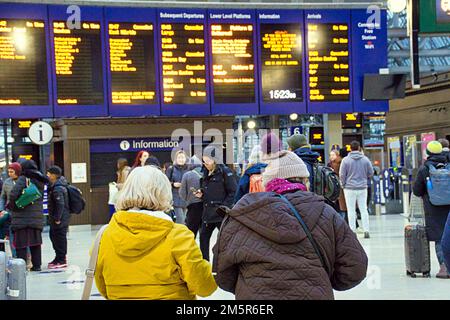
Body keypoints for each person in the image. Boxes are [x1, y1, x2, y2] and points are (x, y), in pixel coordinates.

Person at [213, 150, 368, 300]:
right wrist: (324, 280)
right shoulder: (326, 213)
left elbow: (222, 274)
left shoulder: (242, 215)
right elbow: (355, 267)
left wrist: (247, 285)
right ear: (304, 181)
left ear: (267, 183)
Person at [94, 166, 217, 300]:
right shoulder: (178, 236)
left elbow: (102, 287)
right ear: (163, 193)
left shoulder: (105, 236)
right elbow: (204, 287)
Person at [413, 140, 450, 279]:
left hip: (433, 209)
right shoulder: (448, 165)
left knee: (439, 238)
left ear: (427, 153)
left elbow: (417, 191)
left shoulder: (424, 169)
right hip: (449, 208)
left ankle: (444, 267)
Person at [194, 145, 237, 261]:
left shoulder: (225, 172)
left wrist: (223, 208)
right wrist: (201, 194)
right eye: (204, 161)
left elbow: (233, 192)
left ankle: (226, 263)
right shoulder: (205, 172)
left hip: (220, 214)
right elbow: (208, 190)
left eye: (208, 161)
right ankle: (205, 263)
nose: (205, 164)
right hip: (207, 214)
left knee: (226, 240)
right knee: (203, 238)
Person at [8, 160, 48, 272]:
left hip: (22, 217)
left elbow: (13, 194)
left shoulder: (24, 178)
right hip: (36, 217)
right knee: (36, 243)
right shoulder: (41, 180)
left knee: (21, 243)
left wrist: (12, 206)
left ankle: (21, 266)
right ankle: (37, 266)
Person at [339, 141, 374, 239]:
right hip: (362, 187)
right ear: (359, 148)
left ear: (350, 148)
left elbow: (342, 174)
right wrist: (364, 178)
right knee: (363, 209)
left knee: (351, 210)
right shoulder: (365, 160)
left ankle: (353, 232)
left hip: (349, 188)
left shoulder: (345, 160)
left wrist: (343, 184)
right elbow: (371, 173)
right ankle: (366, 230)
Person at [46, 166, 71, 269]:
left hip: (60, 219)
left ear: (54, 175)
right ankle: (58, 257)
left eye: (48, 173)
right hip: (59, 218)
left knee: (59, 238)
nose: (47, 175)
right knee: (54, 236)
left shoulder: (58, 188)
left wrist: (57, 218)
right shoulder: (57, 185)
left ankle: (61, 259)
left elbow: (60, 204)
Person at [179, 157, 203, 238]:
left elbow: (182, 192)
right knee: (204, 235)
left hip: (193, 207)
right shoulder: (206, 173)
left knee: (191, 233)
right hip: (206, 206)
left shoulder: (187, 175)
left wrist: (188, 199)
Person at [0, 163, 22, 255]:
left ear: (17, 171)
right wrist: (1, 209)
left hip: (22, 213)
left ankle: (27, 258)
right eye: (8, 172)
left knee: (22, 237)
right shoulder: (7, 182)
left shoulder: (23, 181)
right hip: (10, 213)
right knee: (11, 236)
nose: (10, 173)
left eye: (12, 172)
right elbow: (3, 197)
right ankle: (15, 256)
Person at [166, 150, 190, 224]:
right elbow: (165, 183)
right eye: (179, 157)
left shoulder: (188, 169)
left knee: (184, 221)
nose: (181, 159)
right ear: (175, 159)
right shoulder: (171, 169)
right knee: (181, 221)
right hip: (175, 199)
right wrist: (173, 184)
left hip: (186, 200)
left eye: (182, 157)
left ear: (186, 159)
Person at [328, 149, 347, 220]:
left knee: (341, 206)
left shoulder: (340, 163)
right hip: (333, 185)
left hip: (339, 185)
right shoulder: (330, 164)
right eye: (330, 155)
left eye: (333, 155)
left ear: (337, 155)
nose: (331, 156)